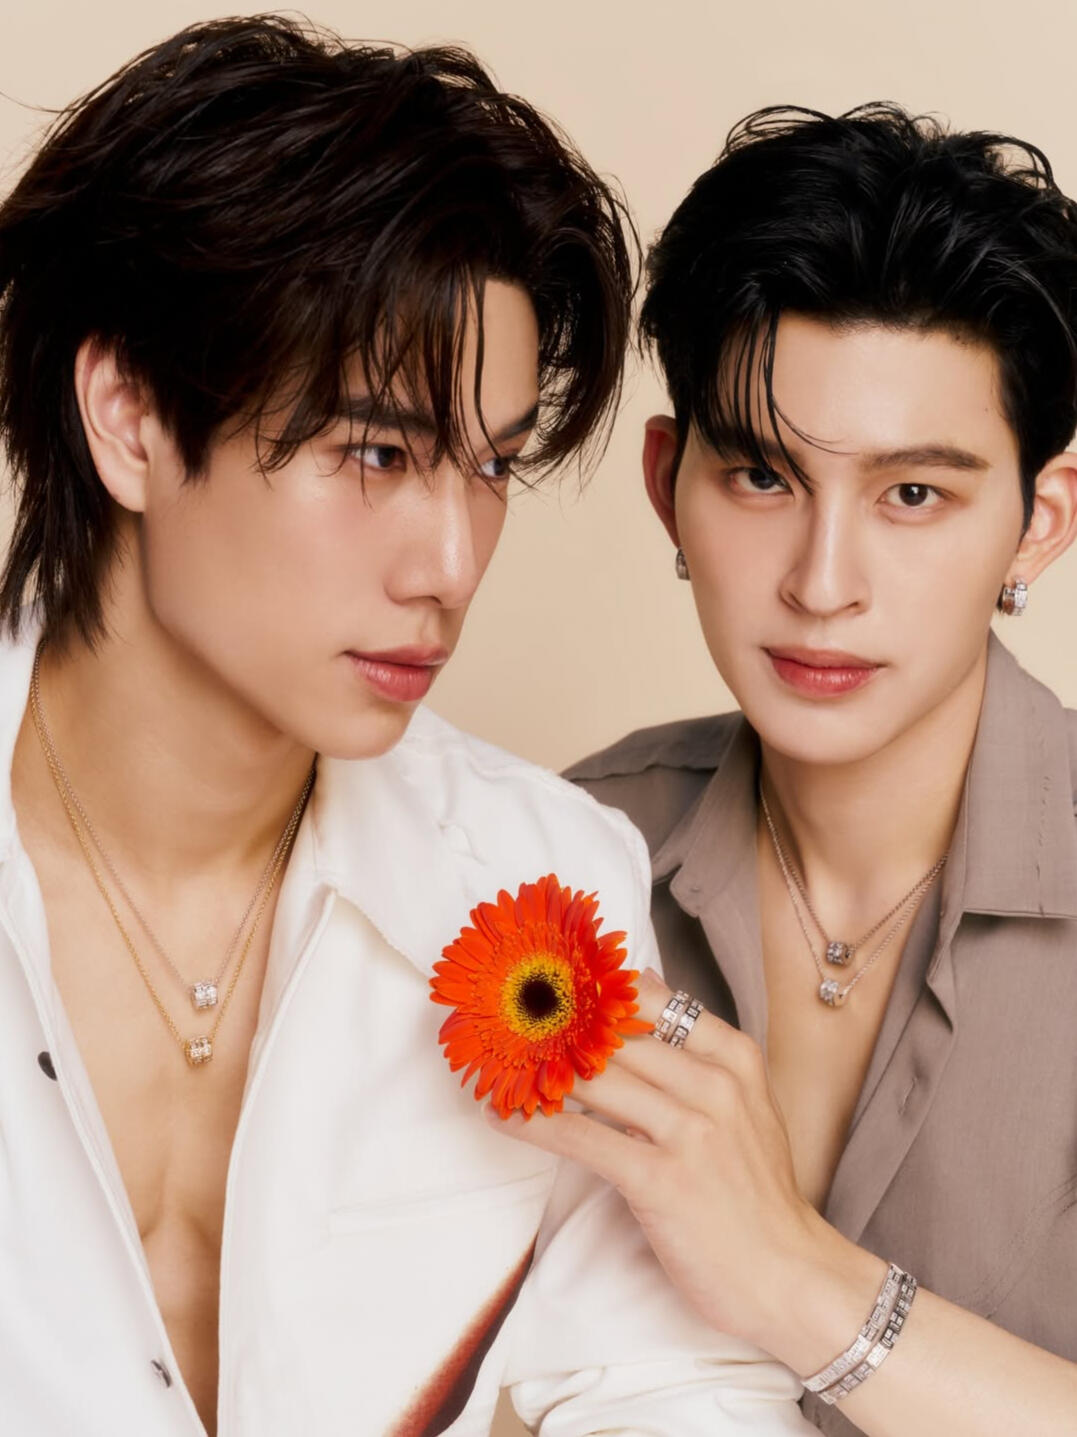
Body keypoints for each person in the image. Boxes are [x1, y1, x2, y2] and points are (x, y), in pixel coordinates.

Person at [0, 21, 814, 1437]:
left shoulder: (541, 876)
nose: (451, 562)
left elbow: (680, 1393)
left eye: (490, 466)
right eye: (375, 452)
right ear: (127, 415)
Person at [508, 106, 1077, 1434]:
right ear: (668, 484)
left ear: (1037, 525)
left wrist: (791, 1279)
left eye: (913, 495)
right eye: (762, 476)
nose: (822, 584)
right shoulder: (551, 861)